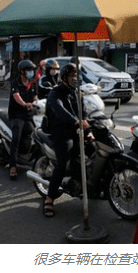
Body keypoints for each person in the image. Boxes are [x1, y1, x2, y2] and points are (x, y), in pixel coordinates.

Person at [43, 63, 89, 217]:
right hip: (61, 132)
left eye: (78, 75)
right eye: (73, 75)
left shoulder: (77, 93)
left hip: (76, 130)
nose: (76, 78)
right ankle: (50, 197)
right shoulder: (55, 93)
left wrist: (87, 123)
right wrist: (75, 121)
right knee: (63, 163)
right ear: (64, 77)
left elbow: (84, 111)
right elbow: (59, 110)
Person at [7, 59, 38, 179]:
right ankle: (12, 166)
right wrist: (25, 104)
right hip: (17, 115)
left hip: (29, 115)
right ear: (21, 72)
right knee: (16, 139)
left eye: (32, 70)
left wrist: (36, 103)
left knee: (36, 134)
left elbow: (36, 96)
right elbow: (16, 96)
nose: (31, 72)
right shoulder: (15, 83)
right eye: (28, 70)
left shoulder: (33, 83)